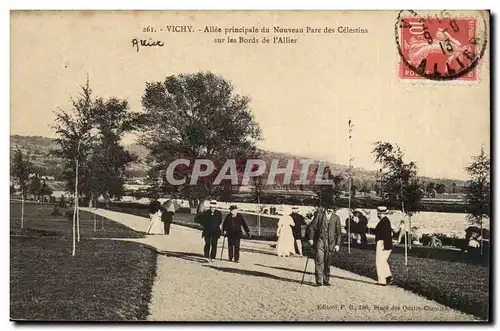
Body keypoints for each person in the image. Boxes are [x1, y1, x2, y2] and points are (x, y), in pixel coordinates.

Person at [307, 207, 342, 287]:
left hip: (331, 243)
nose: (330, 210)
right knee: (319, 260)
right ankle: (319, 281)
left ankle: (326, 279)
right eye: (329, 208)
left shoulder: (336, 217)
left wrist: (337, 244)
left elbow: (339, 232)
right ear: (325, 208)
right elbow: (312, 227)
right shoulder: (319, 215)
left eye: (332, 209)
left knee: (327, 262)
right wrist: (311, 239)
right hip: (320, 241)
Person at [374, 206, 393, 285]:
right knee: (383, 261)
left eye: (380, 214)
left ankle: (382, 280)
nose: (378, 215)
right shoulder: (385, 221)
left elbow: (386, 235)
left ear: (384, 213)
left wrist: (385, 246)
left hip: (382, 243)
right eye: (378, 213)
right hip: (384, 243)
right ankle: (388, 276)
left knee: (379, 261)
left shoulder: (384, 222)